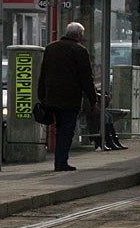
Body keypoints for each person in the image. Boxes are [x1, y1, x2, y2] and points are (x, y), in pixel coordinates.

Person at [39, 22, 97, 171]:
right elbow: (86, 78)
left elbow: (43, 73)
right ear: (78, 35)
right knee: (66, 131)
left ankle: (59, 161)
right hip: (70, 99)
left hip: (52, 98)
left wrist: (42, 96)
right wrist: (93, 100)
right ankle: (61, 162)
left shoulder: (50, 48)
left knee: (59, 129)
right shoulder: (79, 51)